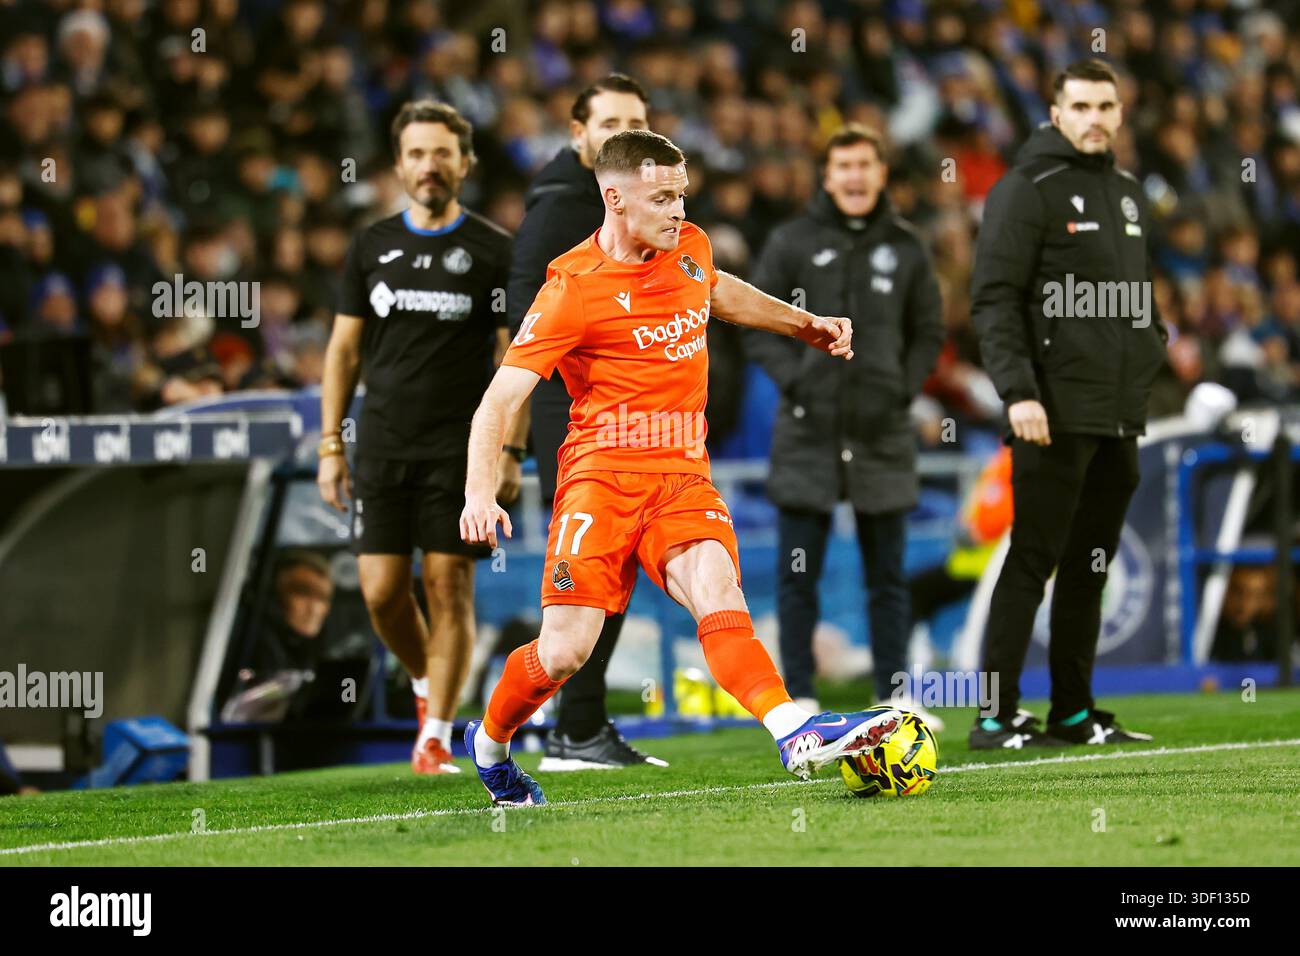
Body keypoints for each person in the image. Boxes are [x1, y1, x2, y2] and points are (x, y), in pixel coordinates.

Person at [458, 129, 903, 806]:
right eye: (661, 197)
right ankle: (489, 745)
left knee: (717, 590)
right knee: (563, 654)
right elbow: (498, 400)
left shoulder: (688, 247)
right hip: (599, 479)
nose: (677, 210)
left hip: (680, 474)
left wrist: (801, 323)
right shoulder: (570, 289)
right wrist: (479, 492)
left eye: (681, 194)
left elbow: (716, 291)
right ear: (614, 198)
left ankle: (794, 730)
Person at [969, 59, 1167, 749]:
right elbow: (993, 300)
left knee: (1091, 566)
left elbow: (1138, 298)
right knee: (1032, 560)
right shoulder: (1026, 189)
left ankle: (1074, 714)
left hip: (1116, 412)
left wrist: (1150, 350)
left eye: (1104, 106)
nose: (1093, 118)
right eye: (1079, 106)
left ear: (1119, 114)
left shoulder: (1129, 193)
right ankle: (993, 715)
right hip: (1049, 411)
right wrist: (1019, 391)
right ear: (1055, 114)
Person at [318, 100, 514, 775]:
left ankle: (434, 734)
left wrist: (507, 453)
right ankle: (427, 680)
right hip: (381, 443)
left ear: (465, 163)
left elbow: (514, 356)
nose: (430, 166)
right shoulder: (371, 246)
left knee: (448, 586)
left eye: (442, 154)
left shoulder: (494, 251)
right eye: (417, 154)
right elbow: (343, 352)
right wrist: (329, 446)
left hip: (457, 453)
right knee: (379, 590)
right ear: (398, 166)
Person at [746, 123, 943, 721]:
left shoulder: (908, 246)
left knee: (888, 577)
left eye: (865, 165)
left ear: (882, 174)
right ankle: (800, 699)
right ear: (827, 177)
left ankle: (895, 696)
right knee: (796, 575)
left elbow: (929, 331)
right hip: (807, 432)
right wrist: (799, 382)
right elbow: (755, 319)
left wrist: (899, 392)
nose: (855, 176)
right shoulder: (791, 241)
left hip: (881, 433)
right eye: (844, 166)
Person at [506, 73, 667, 771]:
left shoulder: (622, 196)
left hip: (615, 404)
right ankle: (568, 727)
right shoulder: (560, 204)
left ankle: (579, 724)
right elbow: (522, 313)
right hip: (571, 405)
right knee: (589, 568)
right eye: (609, 124)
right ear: (578, 135)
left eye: (636, 122)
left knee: (614, 563)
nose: (623, 135)